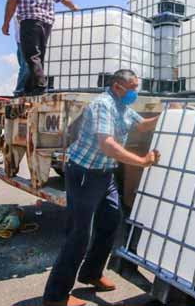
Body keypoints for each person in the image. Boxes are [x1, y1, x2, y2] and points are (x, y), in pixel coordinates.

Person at [42, 69, 161, 306]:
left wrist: (169, 115)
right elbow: (107, 145)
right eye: (133, 87)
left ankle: (91, 273)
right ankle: (55, 297)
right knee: (79, 235)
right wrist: (142, 162)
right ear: (118, 86)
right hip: (85, 174)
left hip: (105, 175)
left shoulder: (122, 107)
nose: (136, 92)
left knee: (110, 223)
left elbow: (142, 126)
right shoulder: (103, 105)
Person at [2, 0, 78, 96]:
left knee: (31, 55)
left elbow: (12, 2)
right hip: (47, 22)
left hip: (30, 20)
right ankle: (31, 88)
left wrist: (6, 22)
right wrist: (74, 7)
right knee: (39, 55)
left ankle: (40, 85)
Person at [12, 16, 30, 97]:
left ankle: (22, 90)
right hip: (23, 41)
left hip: (24, 41)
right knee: (26, 67)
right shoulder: (19, 9)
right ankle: (19, 90)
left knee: (24, 67)